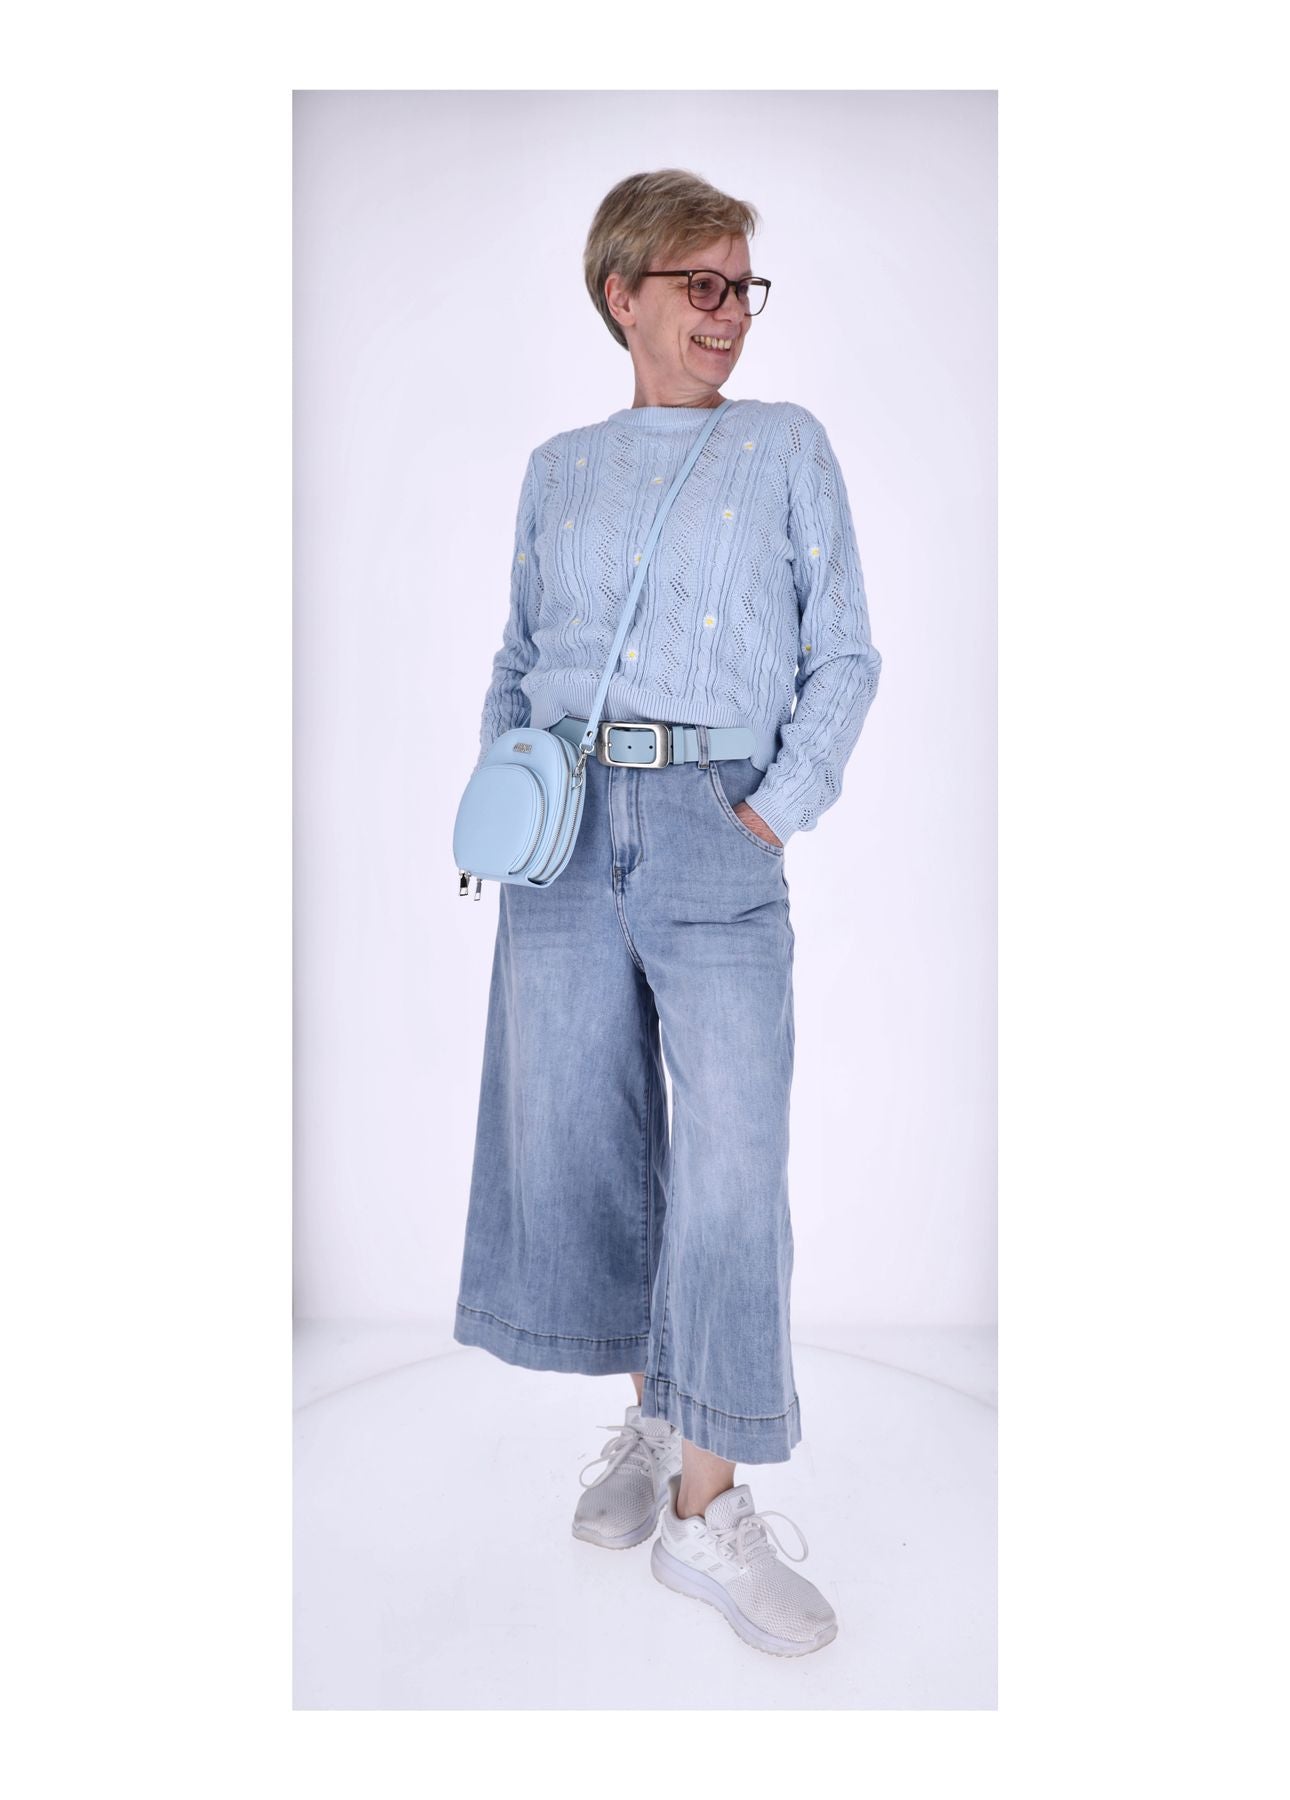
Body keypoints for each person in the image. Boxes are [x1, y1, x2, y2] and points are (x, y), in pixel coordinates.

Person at [453, 169, 882, 1658]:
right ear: (619, 293)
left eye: (741, 287)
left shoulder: (783, 444)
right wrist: (507, 803)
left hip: (715, 827)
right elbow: (516, 656)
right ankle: (652, 1418)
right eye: (699, 285)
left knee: (732, 1162)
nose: (727, 314)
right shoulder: (557, 468)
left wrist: (774, 804)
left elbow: (846, 652)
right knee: (590, 1142)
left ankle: (708, 1509)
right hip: (564, 832)